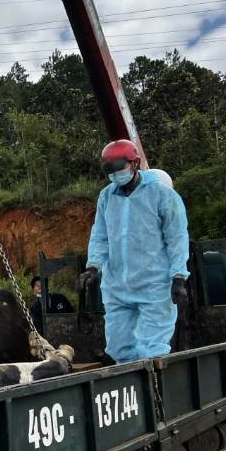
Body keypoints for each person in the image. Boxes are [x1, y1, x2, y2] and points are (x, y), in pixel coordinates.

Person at [79, 139, 189, 363]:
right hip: (117, 285)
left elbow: (177, 238)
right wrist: (93, 267)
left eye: (120, 169)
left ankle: (154, 391)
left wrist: (178, 276)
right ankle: (132, 391)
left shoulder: (162, 195)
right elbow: (100, 235)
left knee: (152, 350)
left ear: (135, 163)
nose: (115, 176)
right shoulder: (107, 197)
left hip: (154, 285)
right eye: (110, 171)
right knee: (119, 348)